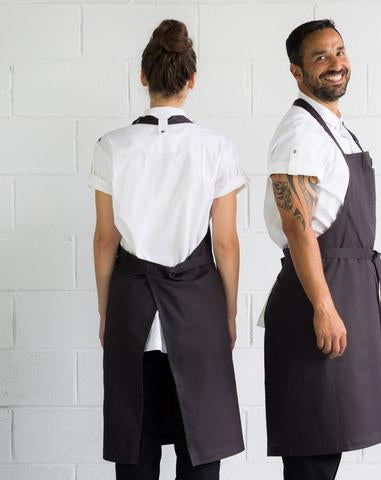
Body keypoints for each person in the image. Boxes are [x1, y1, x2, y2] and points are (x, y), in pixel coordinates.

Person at [87, 19, 247, 480]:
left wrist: (106, 312)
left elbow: (105, 239)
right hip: (199, 310)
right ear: (192, 80)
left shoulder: (111, 146)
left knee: (135, 452)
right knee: (200, 452)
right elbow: (225, 243)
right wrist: (228, 314)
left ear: (143, 75)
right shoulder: (217, 148)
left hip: (131, 309)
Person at [257, 20, 381, 480]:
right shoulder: (300, 133)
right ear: (296, 71)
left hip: (342, 291)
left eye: (339, 51)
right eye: (320, 56)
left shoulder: (335, 128)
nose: (336, 63)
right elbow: (298, 230)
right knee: (312, 453)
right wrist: (324, 306)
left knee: (328, 445)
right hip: (317, 296)